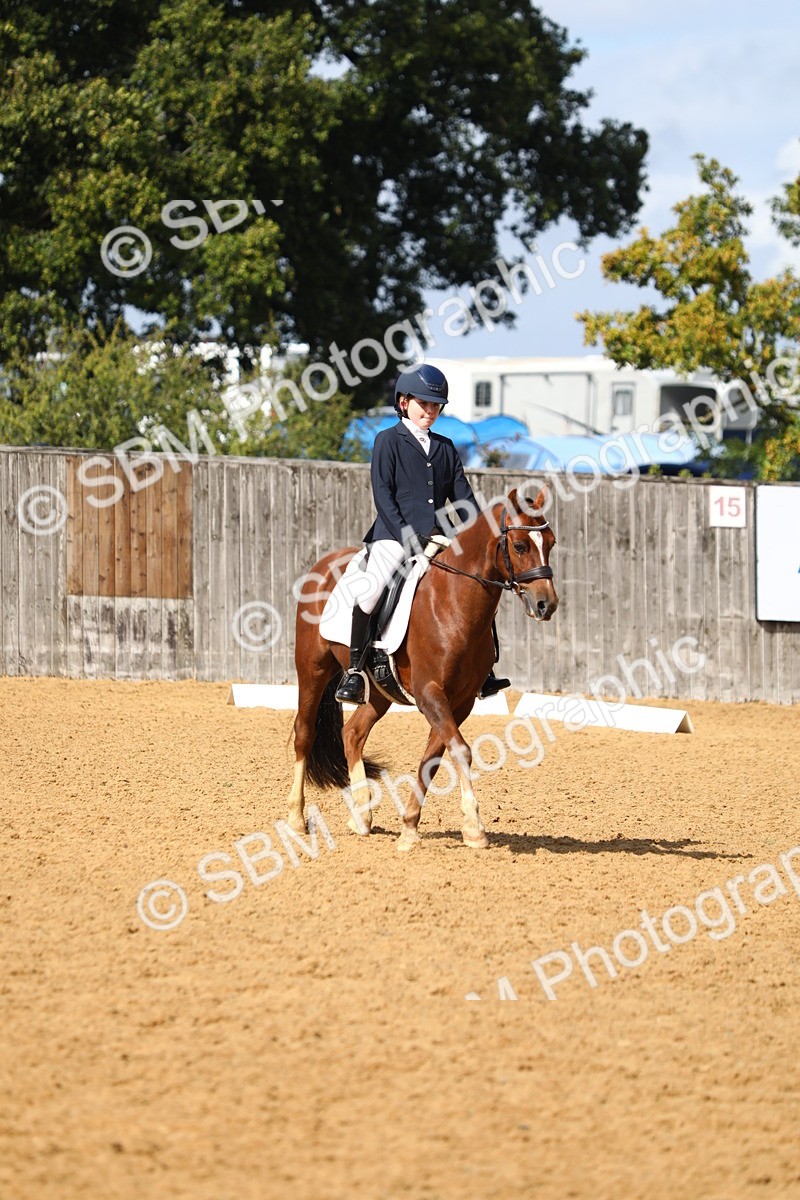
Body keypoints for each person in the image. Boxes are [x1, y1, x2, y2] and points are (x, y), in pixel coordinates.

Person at [334, 363, 510, 705]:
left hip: (438, 538)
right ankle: (355, 671)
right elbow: (383, 495)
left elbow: (464, 500)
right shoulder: (387, 441)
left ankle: (484, 671)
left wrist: (478, 534)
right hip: (393, 535)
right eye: (423, 404)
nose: (430, 411)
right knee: (372, 590)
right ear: (404, 402)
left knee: (478, 588)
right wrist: (407, 536)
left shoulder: (445, 447)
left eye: (435, 406)